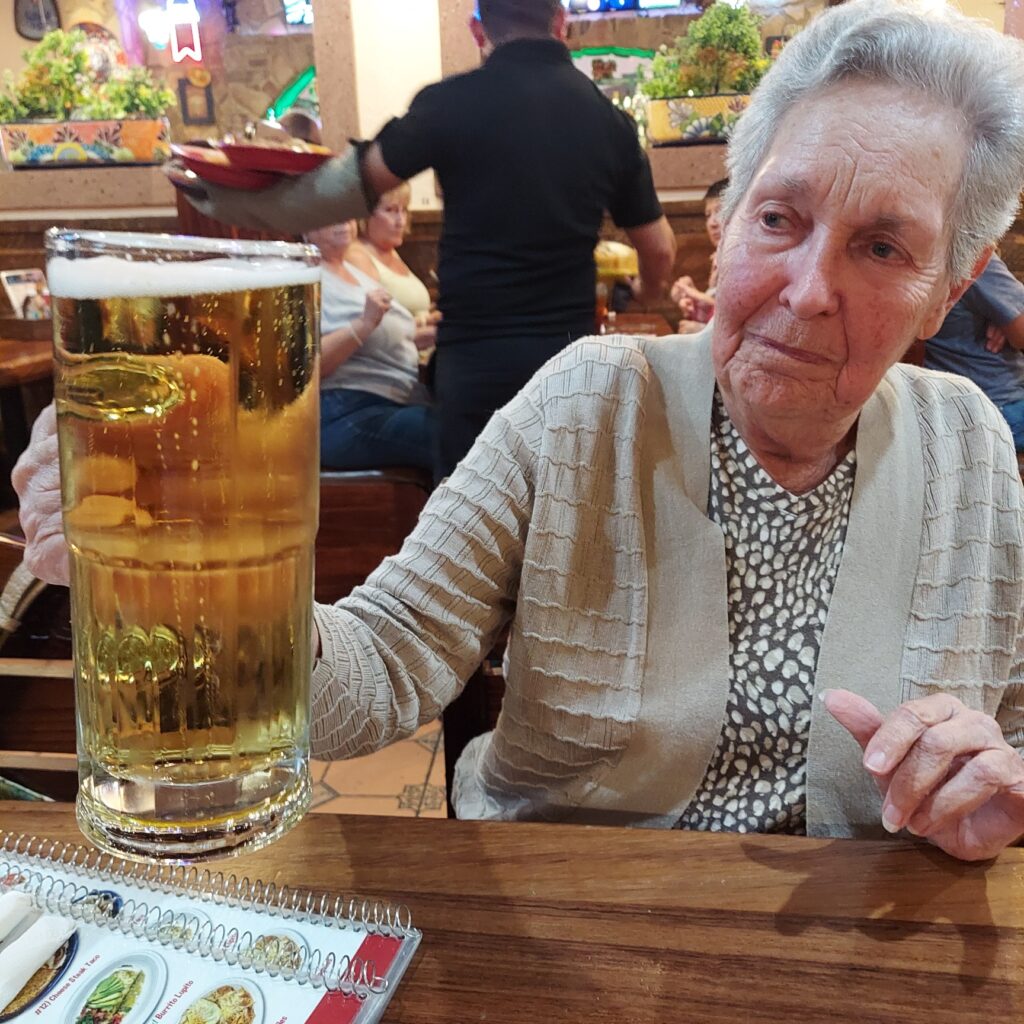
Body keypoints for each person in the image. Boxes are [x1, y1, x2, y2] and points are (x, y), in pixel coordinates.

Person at [19, 0, 1024, 861]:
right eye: (778, 219)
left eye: (881, 247)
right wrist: (192, 578)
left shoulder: (969, 447)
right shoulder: (587, 403)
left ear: (950, 288)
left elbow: (1010, 726)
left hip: (854, 949)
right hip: (555, 919)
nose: (806, 292)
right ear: (724, 229)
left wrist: (994, 786)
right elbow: (387, 659)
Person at [171, 0, 676, 480]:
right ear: (562, 23)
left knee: (470, 522)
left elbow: (341, 192)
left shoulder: (449, 104)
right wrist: (648, 292)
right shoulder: (610, 122)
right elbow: (660, 250)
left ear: (478, 31)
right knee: (564, 508)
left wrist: (218, 196)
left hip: (473, 365)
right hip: (565, 364)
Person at [306, 220, 435, 473]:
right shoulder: (306, 276)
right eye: (331, 214)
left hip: (391, 402)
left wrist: (434, 333)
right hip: (346, 412)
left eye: (347, 213)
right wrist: (364, 324)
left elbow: (385, 340)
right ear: (305, 224)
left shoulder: (353, 273)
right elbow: (306, 366)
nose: (343, 221)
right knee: (453, 434)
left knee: (470, 420)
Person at [924, 252, 1024, 450]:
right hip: (999, 408)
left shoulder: (932, 254)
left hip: (954, 407)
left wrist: (1004, 315)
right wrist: (1010, 316)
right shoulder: (971, 255)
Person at [347, 182, 439, 351]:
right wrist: (426, 332)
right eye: (390, 210)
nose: (401, 221)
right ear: (365, 214)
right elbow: (372, 333)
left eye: (404, 210)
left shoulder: (391, 251)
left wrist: (429, 319)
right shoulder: (357, 256)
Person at [672, 178, 726, 334]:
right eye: (708, 215)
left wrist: (700, 331)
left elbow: (743, 324)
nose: (712, 223)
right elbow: (716, 312)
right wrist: (693, 302)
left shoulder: (745, 262)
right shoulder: (717, 259)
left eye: (719, 212)